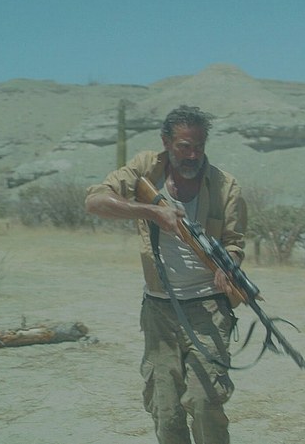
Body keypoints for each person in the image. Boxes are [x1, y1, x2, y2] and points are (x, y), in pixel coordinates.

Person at [85, 105, 247, 444]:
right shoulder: (146, 169)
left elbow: (234, 242)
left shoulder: (225, 185)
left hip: (209, 309)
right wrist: (151, 212)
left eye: (199, 146)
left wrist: (228, 266)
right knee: (165, 409)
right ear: (166, 142)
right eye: (184, 146)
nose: (193, 155)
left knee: (205, 401)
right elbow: (95, 201)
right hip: (159, 309)